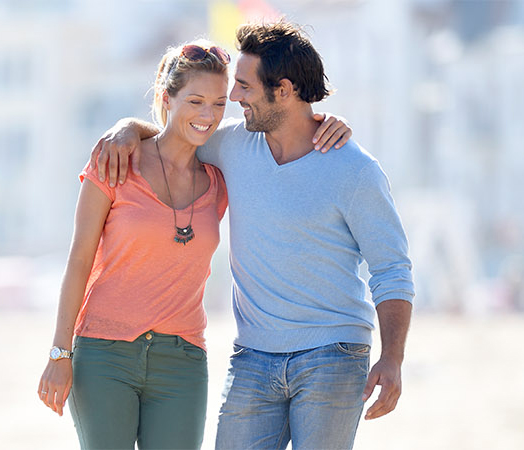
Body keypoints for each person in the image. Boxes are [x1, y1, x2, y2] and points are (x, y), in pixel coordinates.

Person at [91, 20, 414, 450]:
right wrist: (128, 128)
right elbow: (179, 133)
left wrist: (392, 359)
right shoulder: (234, 145)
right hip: (253, 359)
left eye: (243, 87)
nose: (234, 99)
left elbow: (392, 269)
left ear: (283, 90)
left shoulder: (354, 170)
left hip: (333, 355)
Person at [38, 37, 350, 449]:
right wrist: (60, 354)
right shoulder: (115, 163)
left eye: (220, 104)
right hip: (104, 353)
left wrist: (326, 122)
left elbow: (285, 136)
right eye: (195, 101)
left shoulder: (221, 176)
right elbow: (78, 261)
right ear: (167, 98)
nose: (208, 116)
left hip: (182, 362)